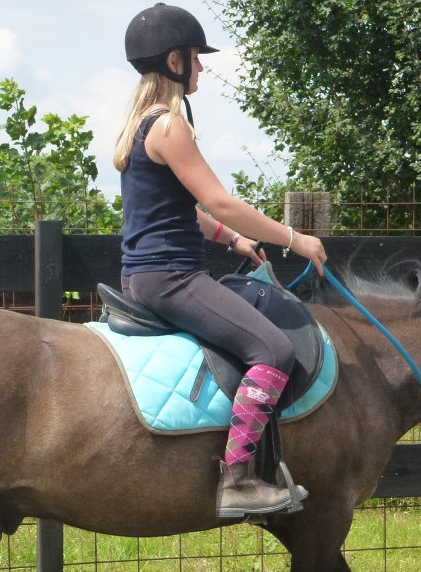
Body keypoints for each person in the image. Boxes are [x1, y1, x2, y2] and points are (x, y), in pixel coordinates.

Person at [115, 3, 327, 518]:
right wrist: (296, 240)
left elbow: (180, 211)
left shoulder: (139, 125)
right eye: (196, 58)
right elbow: (220, 201)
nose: (202, 68)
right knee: (273, 349)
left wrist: (234, 241)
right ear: (173, 61)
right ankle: (238, 480)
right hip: (171, 278)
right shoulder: (168, 125)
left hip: (146, 274)